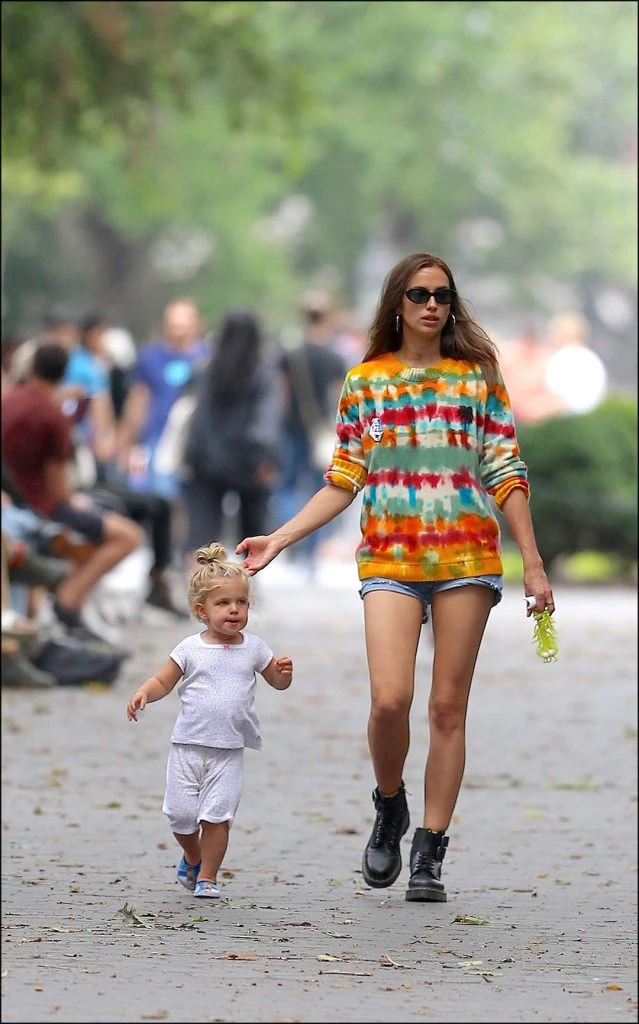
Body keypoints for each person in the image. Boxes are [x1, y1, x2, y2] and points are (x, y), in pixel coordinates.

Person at [236, 251, 555, 903]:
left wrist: (534, 563)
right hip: (389, 558)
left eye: (442, 295)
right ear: (397, 304)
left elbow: (505, 470)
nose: (432, 305)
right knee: (388, 700)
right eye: (418, 294)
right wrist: (280, 539)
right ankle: (390, 804)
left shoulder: (478, 377)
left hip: (467, 558)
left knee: (446, 707)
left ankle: (429, 852)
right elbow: (343, 478)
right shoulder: (366, 381)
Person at [126, 542, 293, 898]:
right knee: (180, 816)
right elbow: (163, 682)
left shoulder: (254, 648)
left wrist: (282, 674)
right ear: (201, 610)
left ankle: (207, 877)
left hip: (228, 750)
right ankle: (192, 854)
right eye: (223, 603)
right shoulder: (189, 648)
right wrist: (144, 693)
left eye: (241, 602)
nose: (234, 610)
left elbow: (276, 683)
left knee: (217, 817)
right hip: (187, 747)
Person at [1, 342, 143, 639]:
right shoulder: (53, 416)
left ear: (32, 367)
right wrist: (75, 501)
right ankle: (70, 598)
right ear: (64, 372)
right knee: (128, 536)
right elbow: (58, 488)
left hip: (15, 501)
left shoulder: (9, 400)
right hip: (41, 507)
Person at [182, 309, 282, 562]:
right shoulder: (262, 372)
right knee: (252, 529)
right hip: (249, 460)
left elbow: (198, 417)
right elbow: (266, 417)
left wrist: (192, 453)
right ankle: (247, 577)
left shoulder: (206, 369)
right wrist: (264, 457)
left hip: (208, 459)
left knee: (202, 530)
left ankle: (200, 578)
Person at [274, 293, 348, 574]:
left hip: (292, 428)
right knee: (321, 490)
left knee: (288, 487)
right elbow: (341, 398)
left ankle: (288, 540)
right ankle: (309, 553)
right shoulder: (334, 357)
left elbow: (282, 395)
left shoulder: (291, 354)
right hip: (322, 433)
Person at [116, 298, 210, 500]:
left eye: (183, 326)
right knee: (162, 498)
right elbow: (137, 402)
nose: (178, 331)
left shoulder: (209, 358)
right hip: (158, 441)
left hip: (199, 444)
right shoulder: (150, 358)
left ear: (197, 324)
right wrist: (126, 445)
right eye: (173, 325)